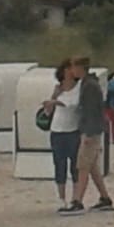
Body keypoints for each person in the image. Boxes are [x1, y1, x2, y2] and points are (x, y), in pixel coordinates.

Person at [59, 57, 113, 215]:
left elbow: (91, 111)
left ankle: (78, 201)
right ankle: (104, 198)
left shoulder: (89, 86)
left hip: (91, 131)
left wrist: (88, 133)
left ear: (80, 67)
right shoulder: (87, 84)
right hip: (92, 130)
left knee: (82, 165)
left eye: (73, 67)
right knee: (92, 167)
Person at [42, 59, 80, 211]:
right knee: (59, 164)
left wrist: (55, 102)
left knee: (75, 165)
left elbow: (72, 105)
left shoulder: (78, 88)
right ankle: (61, 197)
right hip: (57, 130)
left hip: (72, 130)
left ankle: (75, 197)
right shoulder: (58, 88)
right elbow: (48, 112)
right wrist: (53, 98)